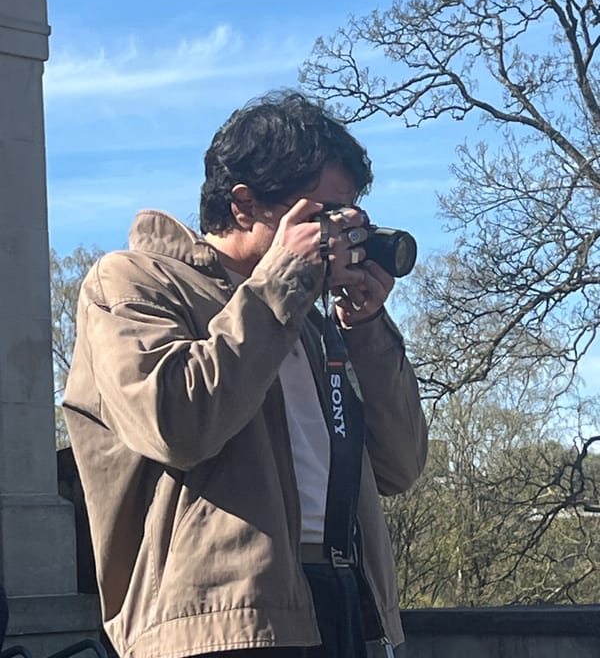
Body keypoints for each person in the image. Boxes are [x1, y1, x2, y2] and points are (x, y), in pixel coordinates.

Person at [63, 91, 428, 658]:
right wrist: (281, 288)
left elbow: (400, 465)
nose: (344, 235)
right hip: (216, 617)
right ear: (244, 204)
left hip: (346, 605)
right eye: (325, 215)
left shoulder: (305, 319)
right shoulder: (132, 283)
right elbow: (175, 424)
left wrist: (366, 326)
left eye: (352, 217)